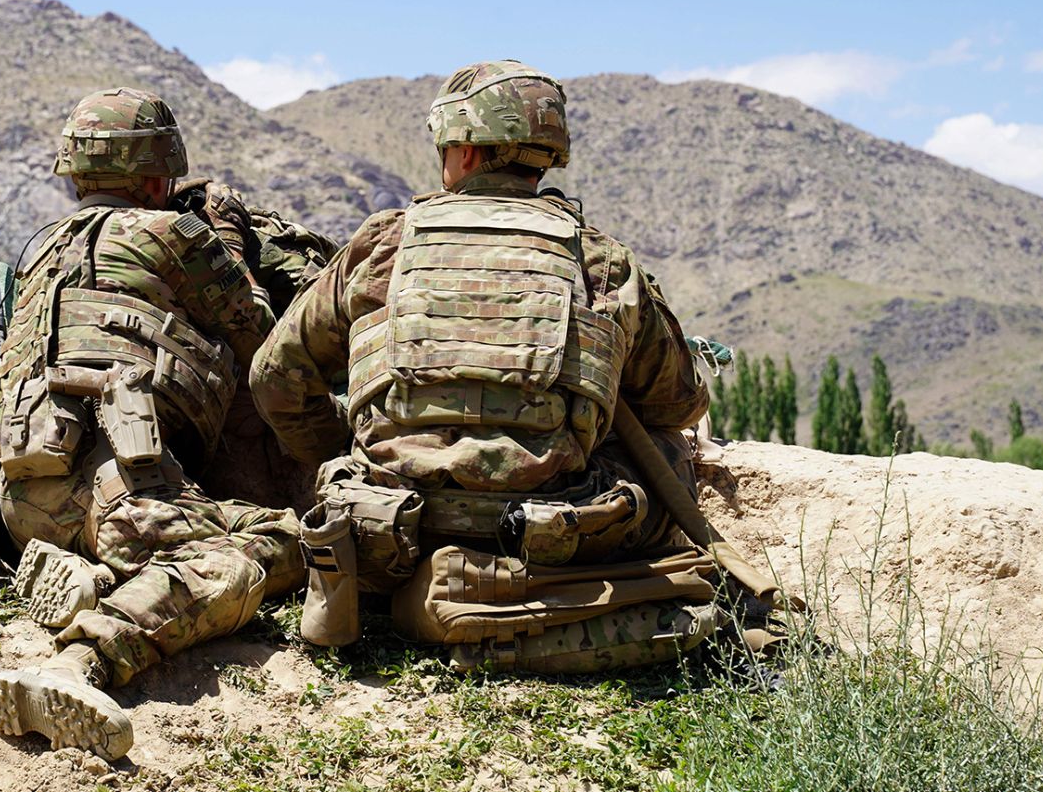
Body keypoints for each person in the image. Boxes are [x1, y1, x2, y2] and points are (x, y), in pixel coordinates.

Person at [249, 60, 723, 673]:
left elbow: (275, 380)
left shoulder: (381, 246)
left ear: (467, 153)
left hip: (387, 531)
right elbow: (677, 405)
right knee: (666, 452)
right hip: (556, 531)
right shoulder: (600, 258)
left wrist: (344, 446)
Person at [0, 87, 304, 761]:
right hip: (122, 492)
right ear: (160, 174)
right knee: (281, 539)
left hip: (20, 499)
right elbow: (264, 342)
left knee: (153, 529)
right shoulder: (174, 232)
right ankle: (83, 661)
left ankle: (92, 575)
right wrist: (230, 241)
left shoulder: (39, 254)